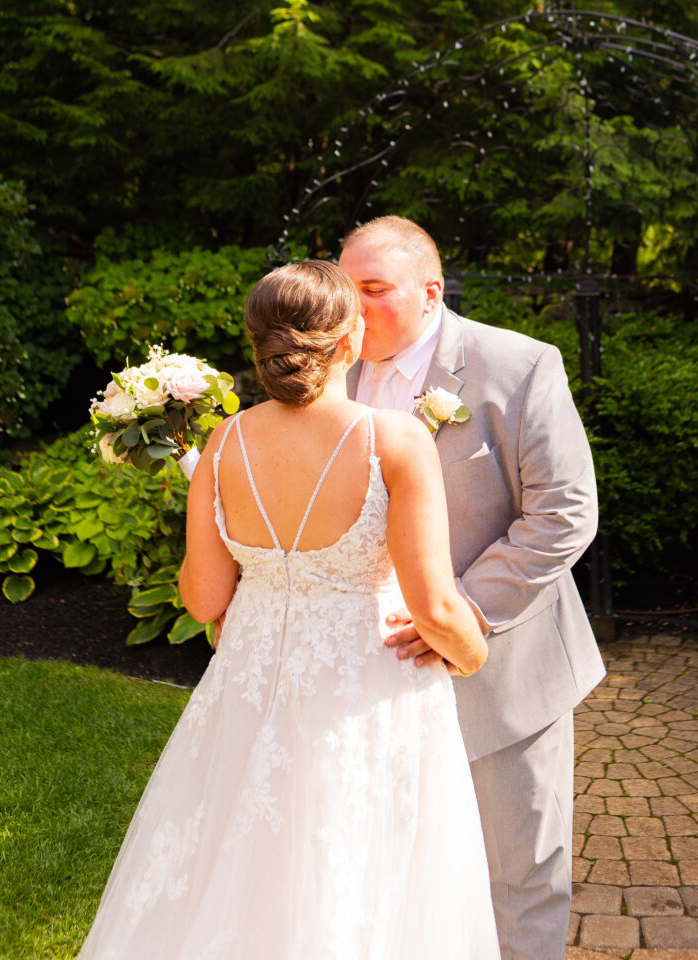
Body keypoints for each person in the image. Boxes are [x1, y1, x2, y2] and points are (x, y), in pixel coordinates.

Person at [77, 260, 499, 960]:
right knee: (359, 880)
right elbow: (435, 607)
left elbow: (205, 598)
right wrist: (475, 654)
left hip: (250, 690)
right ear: (350, 342)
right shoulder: (394, 440)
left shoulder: (223, 442)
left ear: (260, 345)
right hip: (368, 691)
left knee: (238, 872)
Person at [339, 216, 607, 960]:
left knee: (518, 877)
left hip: (503, 671)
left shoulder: (517, 366)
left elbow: (565, 513)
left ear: (430, 292)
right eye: (344, 289)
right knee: (393, 870)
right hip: (371, 675)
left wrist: (454, 613)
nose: (353, 310)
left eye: (374, 291)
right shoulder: (334, 372)